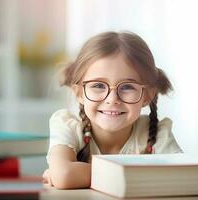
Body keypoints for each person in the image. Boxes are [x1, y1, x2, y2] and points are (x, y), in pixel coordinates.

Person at [42, 31, 182, 189]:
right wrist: (143, 174)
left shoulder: (157, 133)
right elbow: (65, 176)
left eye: (127, 87)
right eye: (98, 85)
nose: (112, 99)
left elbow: (181, 178)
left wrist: (78, 174)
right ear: (79, 92)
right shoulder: (67, 125)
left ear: (147, 95)